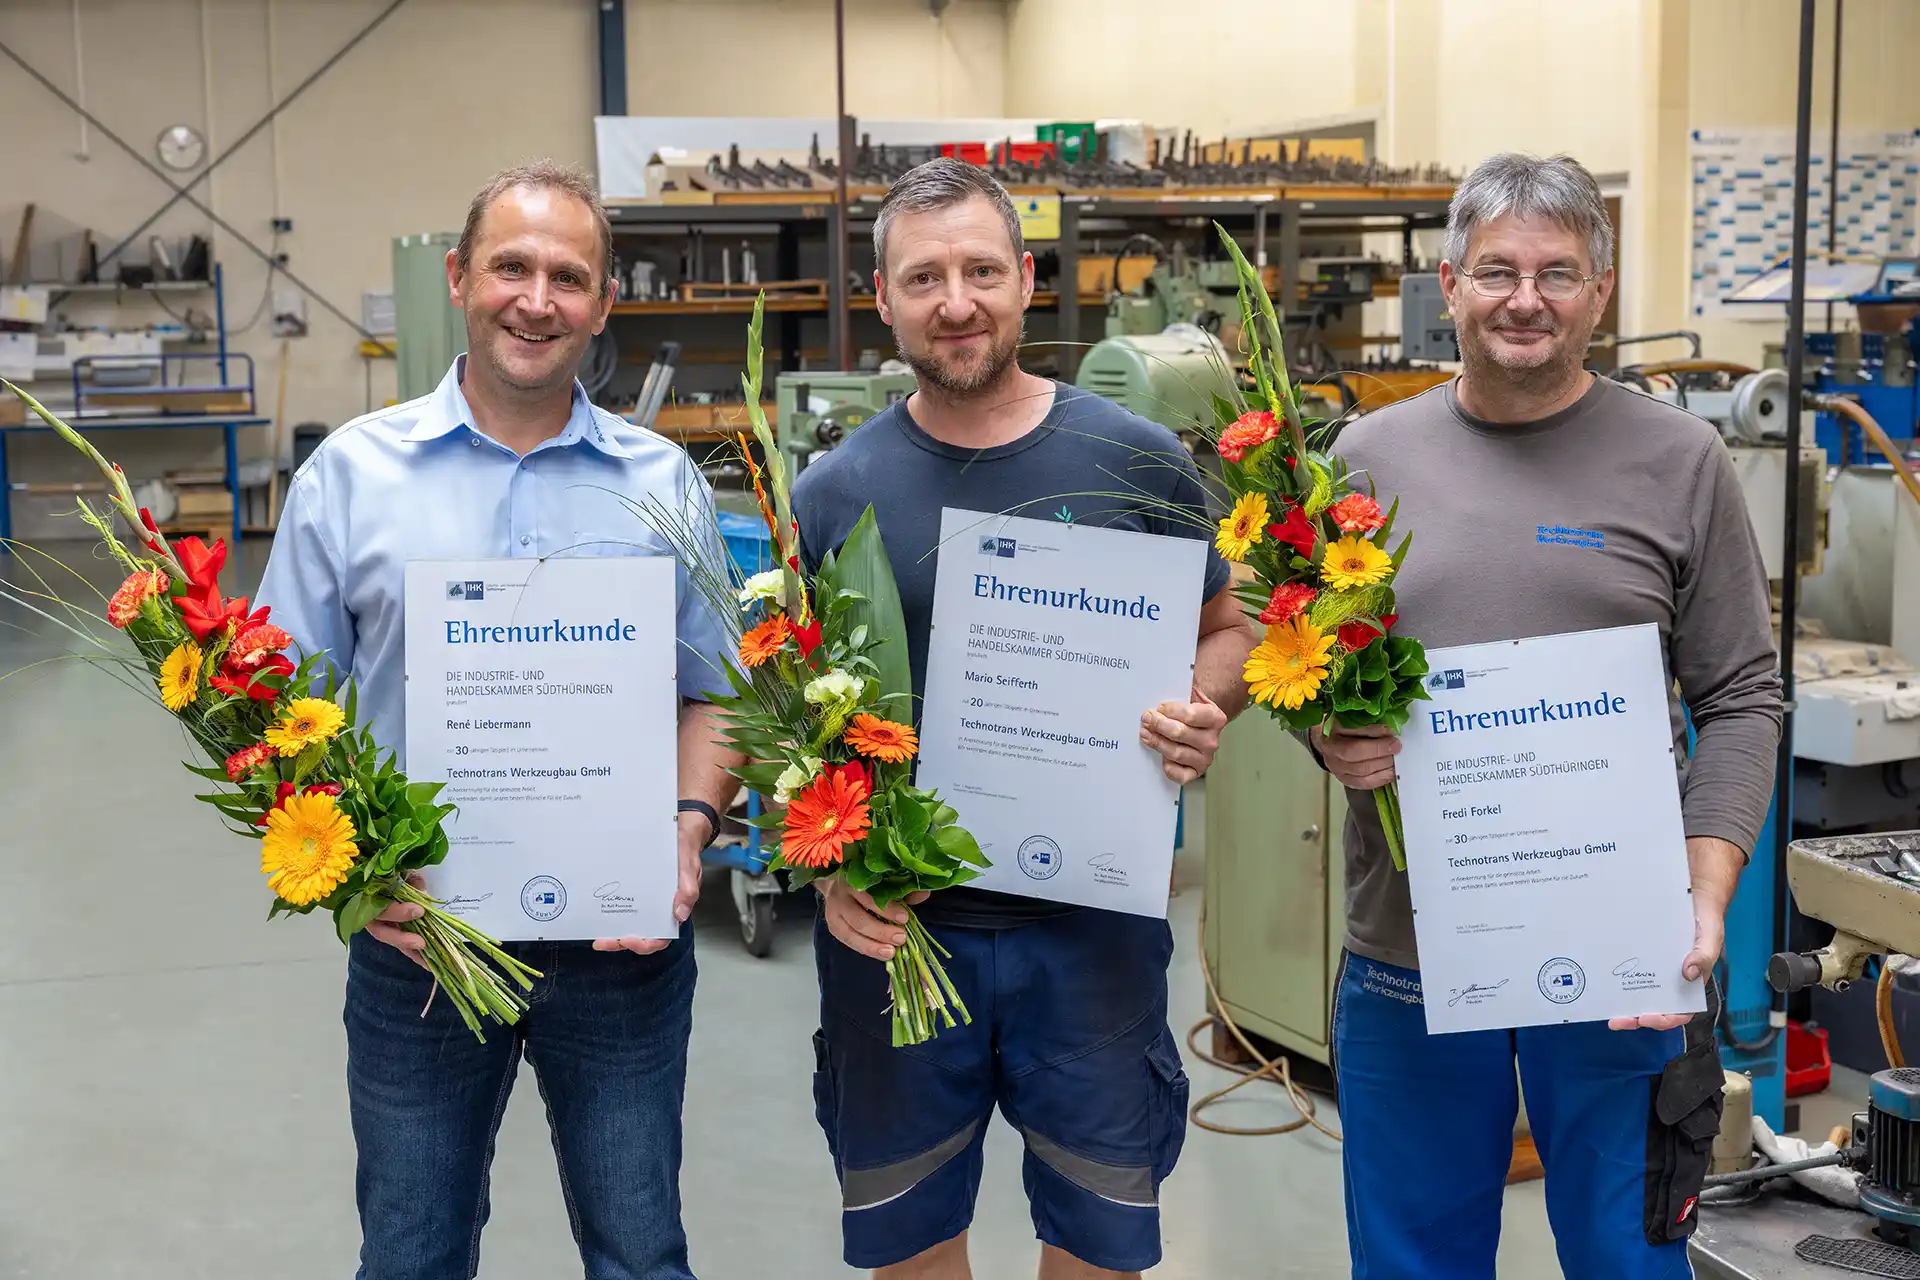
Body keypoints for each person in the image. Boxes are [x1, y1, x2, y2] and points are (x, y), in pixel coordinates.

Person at [256, 160, 738, 1280]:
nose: (537, 298)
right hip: (417, 945)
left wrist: (686, 824)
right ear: (460, 275)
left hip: (620, 954)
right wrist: (358, 874)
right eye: (511, 266)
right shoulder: (350, 478)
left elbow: (718, 688)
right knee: (413, 1252)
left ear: (604, 302)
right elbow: (274, 715)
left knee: (640, 1250)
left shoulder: (663, 484)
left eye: (568, 275)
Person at [1314, 152, 1782, 1279]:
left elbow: (1742, 693)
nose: (1527, 298)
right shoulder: (1366, 458)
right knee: (1413, 1261)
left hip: (1622, 950)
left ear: (1600, 292)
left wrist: (1704, 896)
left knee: (1629, 1257)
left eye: (1558, 273)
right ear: (1450, 283)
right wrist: (1327, 734)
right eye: (1498, 271)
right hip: (1411, 953)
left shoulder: (1682, 461)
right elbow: (1312, 671)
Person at [790, 157, 1259, 1280]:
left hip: (1090, 930)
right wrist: (825, 864)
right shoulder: (832, 493)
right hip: (903, 931)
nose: (957, 300)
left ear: (1028, 279)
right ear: (884, 295)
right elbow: (786, 721)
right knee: (910, 1241)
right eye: (925, 276)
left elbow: (1230, 626)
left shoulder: (1132, 458)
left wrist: (1208, 704)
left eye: (981, 269)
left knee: (1096, 1240)